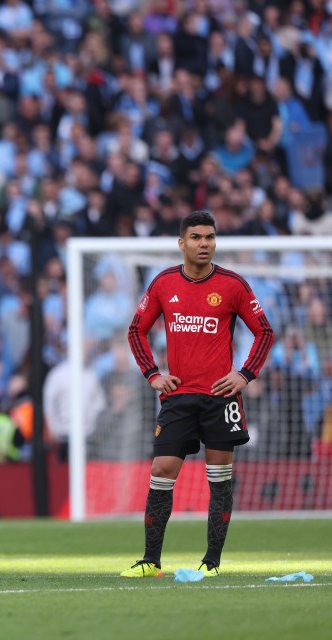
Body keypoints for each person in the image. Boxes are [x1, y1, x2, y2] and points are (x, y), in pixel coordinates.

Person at [123, 210, 275, 578]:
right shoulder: (163, 284)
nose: (204, 243)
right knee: (162, 470)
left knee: (219, 475)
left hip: (221, 397)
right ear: (182, 243)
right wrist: (152, 374)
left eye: (209, 237)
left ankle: (212, 563)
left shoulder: (232, 285)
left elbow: (265, 332)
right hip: (177, 396)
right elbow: (135, 330)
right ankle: (150, 561)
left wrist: (245, 374)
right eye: (196, 237)